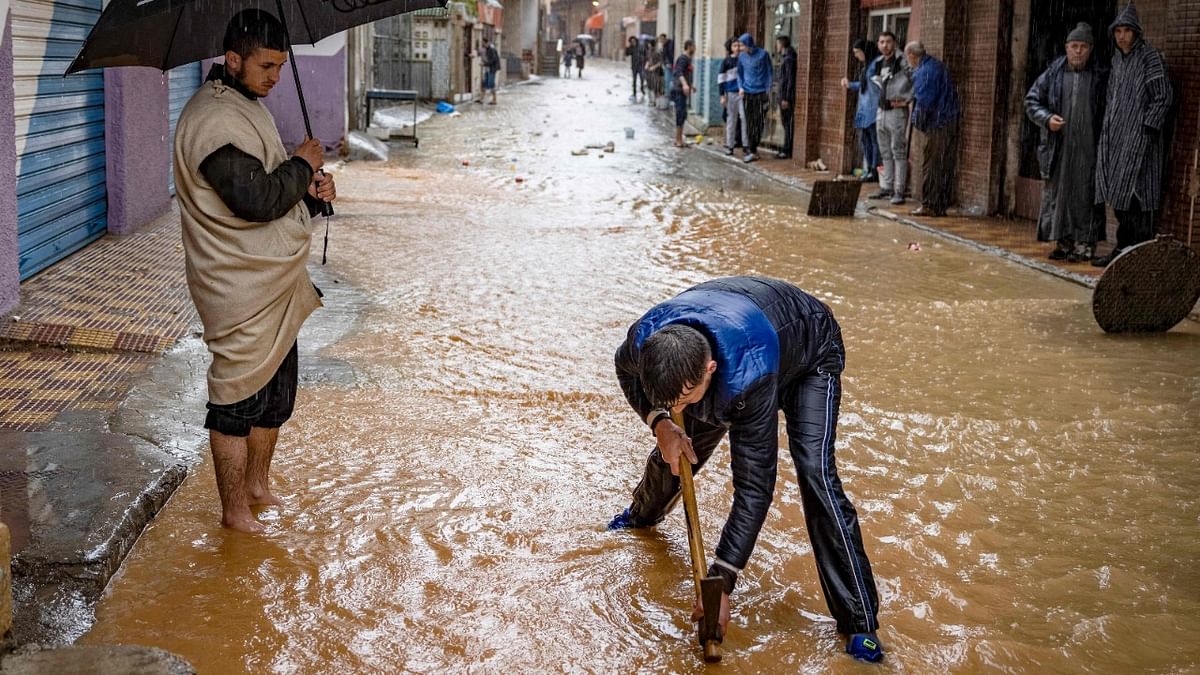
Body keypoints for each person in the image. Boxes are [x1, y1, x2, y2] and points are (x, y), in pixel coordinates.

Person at [608, 276, 884, 663]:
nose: (679, 407)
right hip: (738, 331)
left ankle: (859, 622)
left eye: (685, 397)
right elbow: (626, 374)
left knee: (815, 473)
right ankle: (640, 518)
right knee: (679, 445)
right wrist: (661, 423)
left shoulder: (745, 378)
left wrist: (721, 582)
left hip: (808, 352)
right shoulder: (644, 342)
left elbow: (754, 489)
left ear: (709, 369)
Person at [173, 9, 335, 533]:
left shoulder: (247, 107)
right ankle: (234, 514)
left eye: (281, 66)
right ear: (233, 58)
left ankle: (258, 489)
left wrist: (312, 197)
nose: (274, 77)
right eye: (266, 65)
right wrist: (303, 163)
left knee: (274, 400)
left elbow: (274, 198)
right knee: (237, 399)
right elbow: (254, 199)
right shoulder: (212, 118)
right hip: (236, 284)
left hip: (273, 280)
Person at [1092, 2, 1173, 267]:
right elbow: (1112, 98)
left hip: (1141, 142)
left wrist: (1147, 128)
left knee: (1138, 199)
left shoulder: (1149, 58)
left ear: (1136, 33)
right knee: (1118, 196)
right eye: (1118, 31)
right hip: (1117, 140)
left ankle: (1138, 255)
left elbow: (1163, 96)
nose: (1122, 36)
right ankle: (1122, 251)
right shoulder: (1117, 60)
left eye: (1127, 31)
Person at [1025, 22, 1109, 262]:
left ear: (1090, 49)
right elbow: (1031, 101)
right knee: (1060, 195)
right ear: (1066, 48)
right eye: (1074, 46)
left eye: (1083, 46)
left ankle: (1086, 243)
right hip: (1058, 146)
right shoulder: (1053, 73)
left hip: (1089, 146)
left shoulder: (1101, 75)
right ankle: (1064, 242)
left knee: (1086, 194)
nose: (1078, 51)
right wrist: (1047, 118)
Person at [906, 41, 960, 217]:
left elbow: (924, 102)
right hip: (948, 120)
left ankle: (930, 204)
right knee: (943, 164)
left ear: (912, 56)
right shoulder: (936, 66)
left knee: (932, 164)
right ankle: (940, 204)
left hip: (938, 123)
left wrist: (918, 123)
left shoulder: (925, 72)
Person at [867, 32, 912, 205]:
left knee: (898, 150)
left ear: (894, 43)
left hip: (896, 111)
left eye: (888, 42)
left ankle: (899, 190)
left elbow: (915, 79)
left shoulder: (902, 61)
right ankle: (887, 186)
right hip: (882, 110)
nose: (885, 45)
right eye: (881, 42)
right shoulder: (879, 63)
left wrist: (907, 100)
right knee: (884, 149)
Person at [841, 39, 881, 182]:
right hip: (864, 108)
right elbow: (865, 84)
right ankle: (870, 167)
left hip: (873, 107)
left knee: (874, 141)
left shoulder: (876, 64)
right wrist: (850, 84)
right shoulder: (868, 65)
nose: (856, 56)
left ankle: (874, 169)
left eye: (857, 52)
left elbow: (877, 86)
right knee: (866, 140)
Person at [737, 33, 772, 163]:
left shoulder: (763, 55)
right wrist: (740, 87)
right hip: (747, 93)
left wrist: (767, 90)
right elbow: (739, 73)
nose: (740, 48)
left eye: (742, 45)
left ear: (748, 44)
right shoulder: (741, 57)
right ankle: (752, 149)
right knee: (749, 121)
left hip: (761, 92)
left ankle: (753, 147)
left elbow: (769, 72)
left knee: (759, 121)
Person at [719, 38, 746, 156]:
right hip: (730, 94)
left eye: (739, 46)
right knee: (731, 120)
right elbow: (721, 79)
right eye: (735, 46)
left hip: (743, 94)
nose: (737, 48)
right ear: (730, 48)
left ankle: (745, 145)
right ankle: (730, 146)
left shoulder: (744, 60)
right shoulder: (726, 62)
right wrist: (722, 95)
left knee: (744, 119)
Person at [775, 35, 797, 160]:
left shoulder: (789, 59)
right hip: (783, 96)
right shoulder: (786, 58)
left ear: (782, 44)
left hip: (786, 98)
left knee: (788, 124)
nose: (777, 46)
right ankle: (787, 148)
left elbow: (789, 80)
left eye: (778, 44)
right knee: (786, 124)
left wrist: (786, 98)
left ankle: (787, 149)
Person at [671, 39, 696, 148]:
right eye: (694, 47)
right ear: (689, 47)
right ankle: (678, 140)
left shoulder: (688, 59)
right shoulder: (683, 59)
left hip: (682, 90)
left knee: (683, 114)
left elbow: (685, 74)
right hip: (679, 90)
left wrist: (690, 85)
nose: (695, 49)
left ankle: (679, 138)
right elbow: (679, 72)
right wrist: (685, 85)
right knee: (680, 114)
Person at [481, 38, 501, 105]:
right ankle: (481, 99)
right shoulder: (486, 49)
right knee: (484, 83)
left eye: (483, 43)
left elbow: (494, 60)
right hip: (488, 68)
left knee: (491, 84)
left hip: (492, 69)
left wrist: (485, 64)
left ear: (487, 43)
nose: (483, 44)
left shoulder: (491, 49)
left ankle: (494, 100)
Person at [626, 36, 646, 102]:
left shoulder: (640, 47)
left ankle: (642, 89)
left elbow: (644, 54)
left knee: (642, 79)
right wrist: (628, 47)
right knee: (634, 80)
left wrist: (644, 62)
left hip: (640, 66)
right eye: (632, 41)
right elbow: (627, 54)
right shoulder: (631, 48)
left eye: (634, 41)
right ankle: (634, 93)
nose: (633, 42)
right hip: (634, 66)